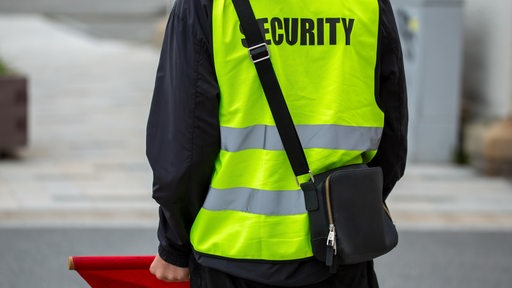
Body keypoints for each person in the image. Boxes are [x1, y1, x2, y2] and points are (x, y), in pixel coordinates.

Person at [146, 0, 408, 287]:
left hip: (232, 250)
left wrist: (175, 243)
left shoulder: (205, 5)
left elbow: (185, 142)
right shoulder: (369, 4)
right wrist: (351, 209)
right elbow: (393, 131)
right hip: (338, 249)